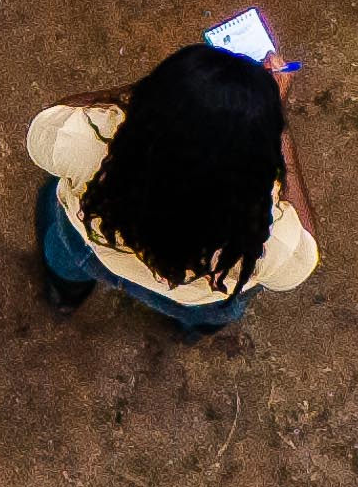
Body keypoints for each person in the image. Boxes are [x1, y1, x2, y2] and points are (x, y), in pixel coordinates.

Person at [27, 30, 317, 332]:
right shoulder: (266, 235)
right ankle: (191, 331)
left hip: (92, 247)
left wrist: (163, 92)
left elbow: (49, 126)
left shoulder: (88, 142)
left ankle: (65, 296)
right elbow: (303, 253)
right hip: (192, 295)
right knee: (207, 317)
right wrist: (277, 120)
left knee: (62, 245)